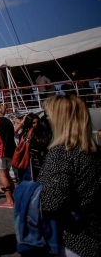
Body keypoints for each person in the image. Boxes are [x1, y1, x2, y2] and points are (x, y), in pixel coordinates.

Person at [37, 95, 101, 257]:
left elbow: (50, 202)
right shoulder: (93, 152)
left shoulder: (61, 154)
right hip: (94, 233)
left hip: (71, 238)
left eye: (49, 116)